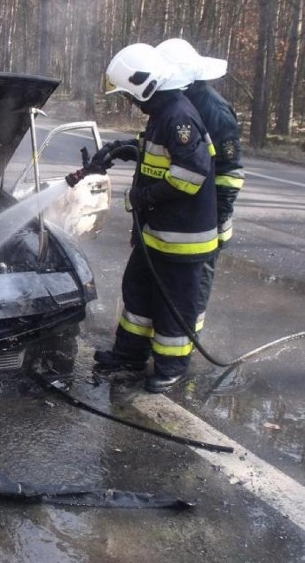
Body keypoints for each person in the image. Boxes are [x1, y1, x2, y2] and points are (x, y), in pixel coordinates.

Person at [90, 43, 218, 393]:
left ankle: (171, 366)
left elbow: (192, 173)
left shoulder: (178, 116)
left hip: (182, 236)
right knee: (138, 293)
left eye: (131, 94)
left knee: (174, 302)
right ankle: (129, 354)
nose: (131, 102)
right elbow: (157, 158)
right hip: (158, 232)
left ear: (147, 85)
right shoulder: (163, 115)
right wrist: (124, 149)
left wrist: (145, 196)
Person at [156, 38, 245, 330]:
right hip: (183, 216)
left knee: (193, 291)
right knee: (169, 287)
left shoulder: (214, 110)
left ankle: (184, 348)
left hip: (206, 223)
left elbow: (230, 172)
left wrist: (215, 219)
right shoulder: (178, 103)